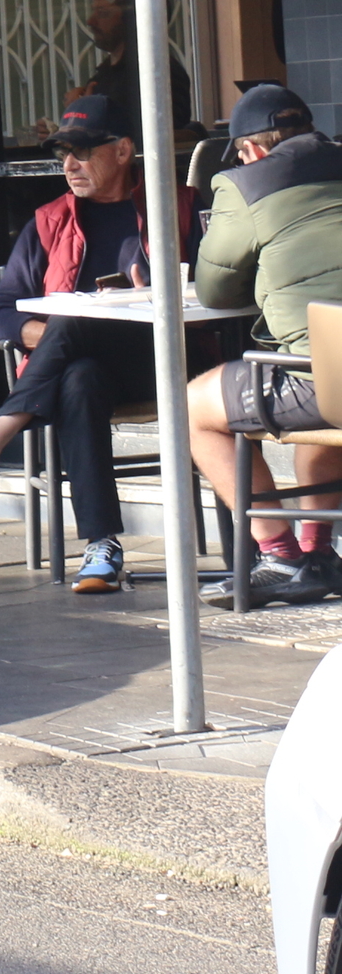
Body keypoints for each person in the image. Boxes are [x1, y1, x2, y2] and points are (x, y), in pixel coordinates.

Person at [0, 89, 198, 593]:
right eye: (62, 154)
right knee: (78, 374)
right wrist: (59, 336)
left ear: (123, 150)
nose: (70, 164)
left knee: (76, 320)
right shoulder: (50, 222)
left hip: (164, 358)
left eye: (83, 151)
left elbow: (212, 290)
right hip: (86, 370)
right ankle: (102, 546)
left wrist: (151, 296)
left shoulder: (177, 208)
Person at [183, 84, 342, 606]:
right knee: (323, 399)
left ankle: (279, 555)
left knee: (192, 407)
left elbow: (214, 288)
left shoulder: (245, 184)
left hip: (323, 379)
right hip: (329, 377)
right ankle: (318, 554)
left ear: (250, 148)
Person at [53, 0, 194, 143]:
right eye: (94, 11)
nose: (91, 21)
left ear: (132, 20)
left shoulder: (160, 72)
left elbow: (164, 140)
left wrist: (83, 111)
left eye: (103, 13)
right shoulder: (105, 74)